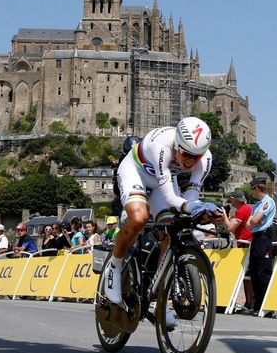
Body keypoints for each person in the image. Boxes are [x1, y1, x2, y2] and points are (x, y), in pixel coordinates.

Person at [105, 116, 214, 304]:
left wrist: (205, 210)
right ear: (177, 146)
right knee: (139, 218)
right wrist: (192, 207)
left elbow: (190, 198)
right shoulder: (161, 146)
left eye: (196, 157)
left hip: (161, 181)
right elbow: (171, 198)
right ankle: (114, 266)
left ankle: (158, 299)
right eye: (185, 154)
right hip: (136, 172)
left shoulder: (205, 160)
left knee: (171, 231)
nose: (190, 162)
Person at [245, 177, 277, 314]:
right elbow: (248, 225)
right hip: (256, 236)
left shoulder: (268, 202)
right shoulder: (258, 205)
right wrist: (254, 221)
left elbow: (255, 220)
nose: (251, 192)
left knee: (263, 271)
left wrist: (254, 221)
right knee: (254, 271)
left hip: (264, 236)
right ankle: (257, 305)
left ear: (257, 188)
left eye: (252, 189)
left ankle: (265, 305)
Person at [223, 190, 254, 314]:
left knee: (247, 276)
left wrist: (224, 214)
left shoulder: (242, 210)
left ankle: (251, 303)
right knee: (245, 276)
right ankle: (248, 302)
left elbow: (230, 227)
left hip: (246, 243)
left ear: (234, 199)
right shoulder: (244, 209)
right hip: (244, 242)